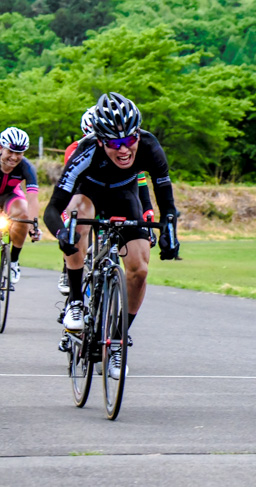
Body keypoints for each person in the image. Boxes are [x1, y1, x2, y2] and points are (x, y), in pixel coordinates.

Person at [44, 92, 180, 379]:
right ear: (100, 139)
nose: (124, 150)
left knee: (140, 270)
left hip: (124, 195)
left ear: (137, 134)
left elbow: (165, 199)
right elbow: (54, 208)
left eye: (129, 140)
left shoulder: (150, 146)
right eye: (114, 144)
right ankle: (78, 301)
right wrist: (61, 233)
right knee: (77, 222)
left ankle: (118, 341)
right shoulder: (86, 150)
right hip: (88, 193)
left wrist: (169, 230)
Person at [57, 108, 156, 295]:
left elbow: (140, 184)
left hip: (118, 198)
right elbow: (72, 186)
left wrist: (147, 212)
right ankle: (67, 270)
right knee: (74, 230)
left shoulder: (126, 152)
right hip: (86, 196)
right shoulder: (77, 149)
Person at [0, 127, 43, 284]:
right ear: (1, 148)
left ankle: (14, 262)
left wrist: (34, 225)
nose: (14, 157)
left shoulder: (27, 167)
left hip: (11, 196)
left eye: (19, 153)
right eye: (10, 151)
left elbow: (32, 199)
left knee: (24, 214)